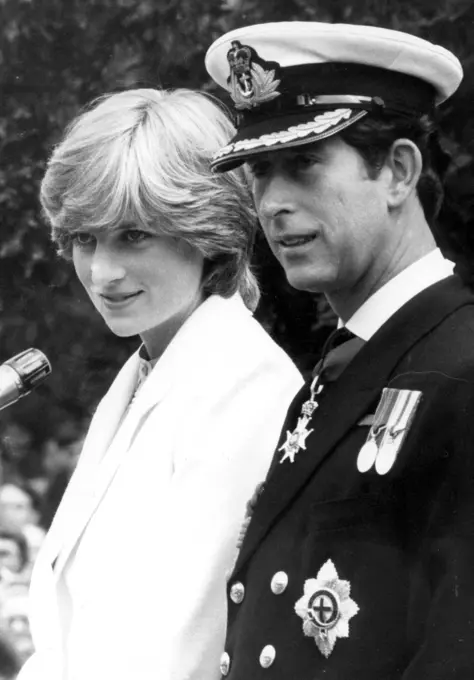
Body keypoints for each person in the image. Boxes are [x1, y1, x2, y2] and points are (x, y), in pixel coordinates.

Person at [205, 21, 474, 679]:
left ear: (399, 172)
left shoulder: (462, 368)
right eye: (261, 172)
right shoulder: (347, 364)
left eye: (304, 165)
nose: (272, 202)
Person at [19, 88, 303, 680]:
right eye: (84, 239)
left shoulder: (244, 387)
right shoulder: (146, 374)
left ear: (206, 230)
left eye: (134, 235)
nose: (102, 273)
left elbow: (175, 652)